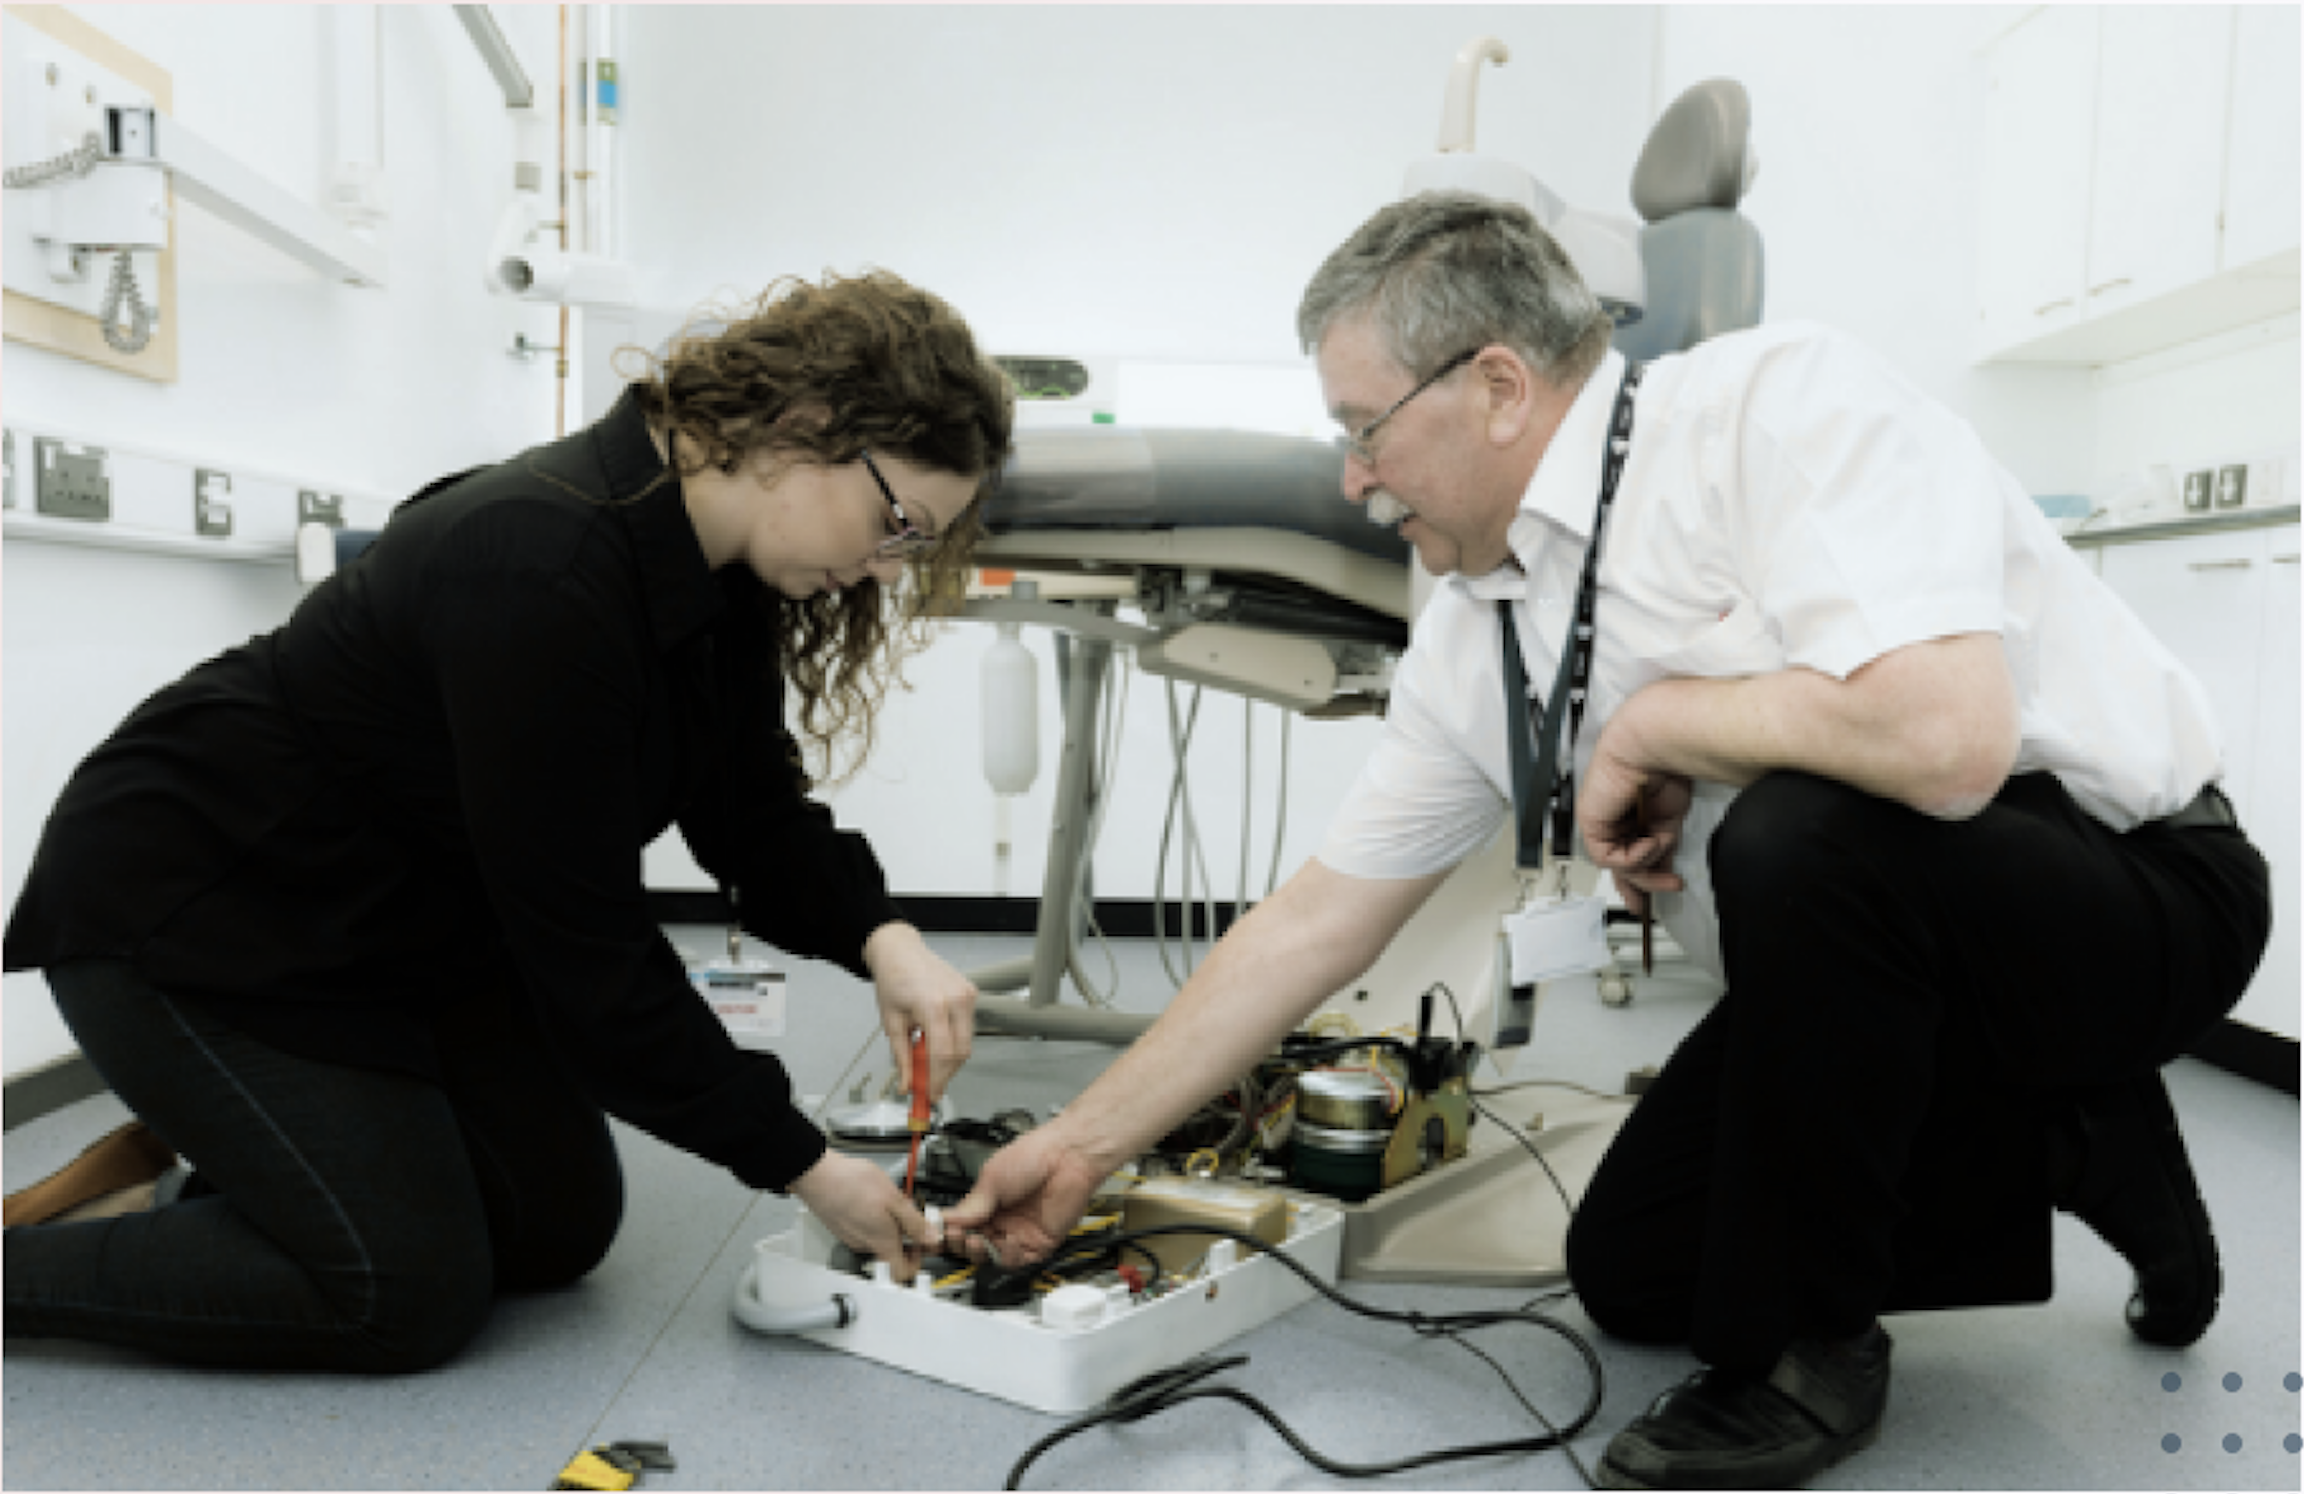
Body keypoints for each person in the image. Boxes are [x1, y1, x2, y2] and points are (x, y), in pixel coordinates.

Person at [946, 193, 2271, 1489]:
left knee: (1806, 840)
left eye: (1364, 429)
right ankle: (2079, 1134)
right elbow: (1313, 919)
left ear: (1501, 386)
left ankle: (1811, 1358)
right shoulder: (1479, 625)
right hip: (1899, 972)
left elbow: (1946, 737)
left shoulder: (1772, 407)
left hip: (2144, 894)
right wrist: (1078, 1145)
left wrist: (1660, 720)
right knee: (1633, 1273)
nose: (1352, 478)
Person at [4, 269, 1009, 1373]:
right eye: (895, 521)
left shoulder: (721, 571)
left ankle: (254, 1164)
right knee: (402, 1292)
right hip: (199, 912)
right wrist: (805, 1161)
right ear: (805, 424)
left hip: (397, 924)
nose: (882, 564)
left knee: (555, 1227)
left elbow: (750, 810)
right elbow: (587, 958)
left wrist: (886, 937)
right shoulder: (541, 562)